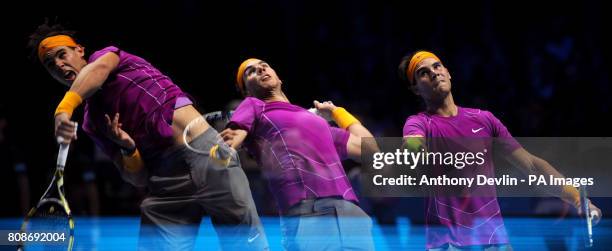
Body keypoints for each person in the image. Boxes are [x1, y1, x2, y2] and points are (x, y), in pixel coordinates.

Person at [28, 22, 268, 250]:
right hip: (165, 182)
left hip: (208, 155)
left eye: (62, 55)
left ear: (79, 50)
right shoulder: (93, 122)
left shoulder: (109, 57)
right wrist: (128, 148)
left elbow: (97, 71)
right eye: (50, 64)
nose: (59, 65)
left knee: (247, 245)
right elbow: (137, 177)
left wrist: (63, 109)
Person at [398, 50, 602, 250]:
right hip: (447, 243)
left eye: (437, 66)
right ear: (416, 89)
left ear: (448, 72)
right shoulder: (418, 123)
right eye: (423, 73)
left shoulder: (484, 119)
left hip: (494, 242)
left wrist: (577, 199)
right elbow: (413, 143)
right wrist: (415, 152)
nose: (434, 72)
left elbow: (531, 166)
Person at [221, 58, 376, 250]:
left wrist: (338, 113)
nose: (260, 69)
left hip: (351, 214)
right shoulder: (253, 106)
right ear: (246, 91)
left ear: (279, 78)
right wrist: (225, 147)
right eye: (250, 72)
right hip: (308, 213)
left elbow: (370, 150)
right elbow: (234, 136)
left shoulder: (317, 122)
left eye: (264, 65)